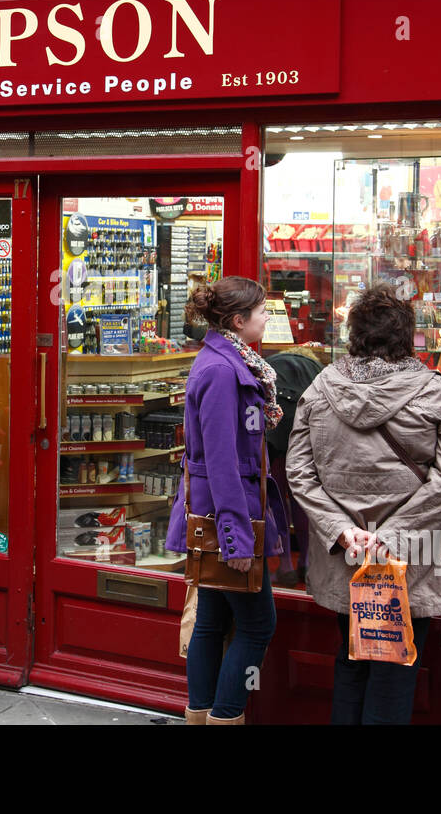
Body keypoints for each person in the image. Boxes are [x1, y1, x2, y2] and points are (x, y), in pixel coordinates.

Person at [285, 283, 441, 725]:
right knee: (395, 668)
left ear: (354, 334)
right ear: (406, 335)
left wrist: (341, 529)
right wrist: (391, 536)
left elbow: (299, 470)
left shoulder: (321, 386)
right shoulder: (433, 389)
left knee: (351, 662)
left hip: (346, 553)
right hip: (412, 555)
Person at [164, 276, 291, 725]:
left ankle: (202, 716)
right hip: (228, 519)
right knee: (258, 625)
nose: (267, 318)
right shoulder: (221, 370)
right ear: (239, 321)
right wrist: (237, 539)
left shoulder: (232, 361)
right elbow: (220, 459)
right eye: (262, 311)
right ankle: (226, 716)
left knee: (211, 622)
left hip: (222, 515)